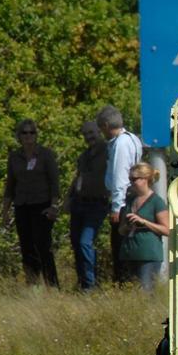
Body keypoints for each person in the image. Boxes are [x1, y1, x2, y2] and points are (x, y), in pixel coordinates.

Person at [0, 118, 60, 288]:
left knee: (43, 246)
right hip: (22, 206)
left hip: (42, 205)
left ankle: (52, 286)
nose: (28, 136)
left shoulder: (46, 154)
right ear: (19, 135)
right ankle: (33, 286)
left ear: (36, 135)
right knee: (27, 248)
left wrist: (54, 205)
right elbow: (10, 185)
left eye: (31, 132)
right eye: (24, 132)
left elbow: (54, 182)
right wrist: (4, 212)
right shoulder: (14, 157)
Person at [96, 105, 144, 284]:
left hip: (123, 202)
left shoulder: (120, 144)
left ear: (107, 125)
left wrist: (116, 207)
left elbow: (120, 177)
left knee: (119, 245)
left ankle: (123, 281)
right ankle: (126, 280)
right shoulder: (131, 139)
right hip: (129, 198)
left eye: (101, 128)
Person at [64, 120, 109, 290]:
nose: (89, 137)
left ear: (99, 131)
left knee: (85, 242)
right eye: (85, 134)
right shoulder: (84, 156)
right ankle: (83, 282)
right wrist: (68, 199)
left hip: (97, 203)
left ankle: (91, 285)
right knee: (76, 243)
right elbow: (78, 177)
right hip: (79, 203)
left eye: (91, 133)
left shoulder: (109, 151)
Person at [117, 162, 170, 291]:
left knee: (145, 291)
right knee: (129, 291)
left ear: (145, 179)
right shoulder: (130, 200)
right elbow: (121, 230)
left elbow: (167, 229)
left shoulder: (156, 202)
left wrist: (144, 222)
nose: (132, 182)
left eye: (134, 179)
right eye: (130, 179)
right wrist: (127, 227)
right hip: (129, 253)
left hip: (148, 254)